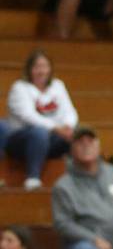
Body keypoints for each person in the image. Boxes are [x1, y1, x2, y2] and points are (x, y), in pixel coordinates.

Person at [5, 49, 78, 190]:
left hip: (52, 138)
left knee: (80, 134)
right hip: (21, 140)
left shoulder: (58, 85)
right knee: (39, 133)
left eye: (45, 66)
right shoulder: (19, 88)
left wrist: (68, 127)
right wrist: (56, 128)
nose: (41, 71)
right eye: (37, 67)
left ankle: (79, 179)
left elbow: (69, 111)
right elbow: (28, 116)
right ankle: (32, 178)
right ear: (29, 69)